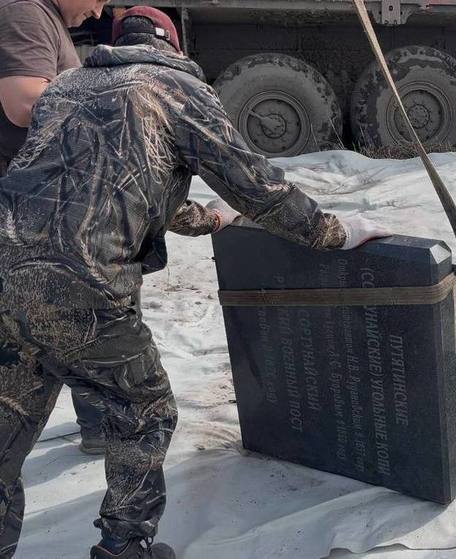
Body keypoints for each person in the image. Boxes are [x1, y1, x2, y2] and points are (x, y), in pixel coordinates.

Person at [0, 6, 389, 559]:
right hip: (80, 285)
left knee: (6, 432)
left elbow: (117, 180)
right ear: (174, 48)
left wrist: (209, 220)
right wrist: (336, 232)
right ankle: (124, 549)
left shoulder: (69, 89)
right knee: (145, 410)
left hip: (5, 271)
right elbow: (257, 188)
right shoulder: (177, 89)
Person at [0, 0, 235, 455]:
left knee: (64, 335)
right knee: (103, 352)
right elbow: (23, 102)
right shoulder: (26, 11)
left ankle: (101, 427)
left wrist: (209, 217)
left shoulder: (46, 21)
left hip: (56, 218)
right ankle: (115, 455)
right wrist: (111, 113)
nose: (99, 8)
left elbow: (151, 201)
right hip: (42, 222)